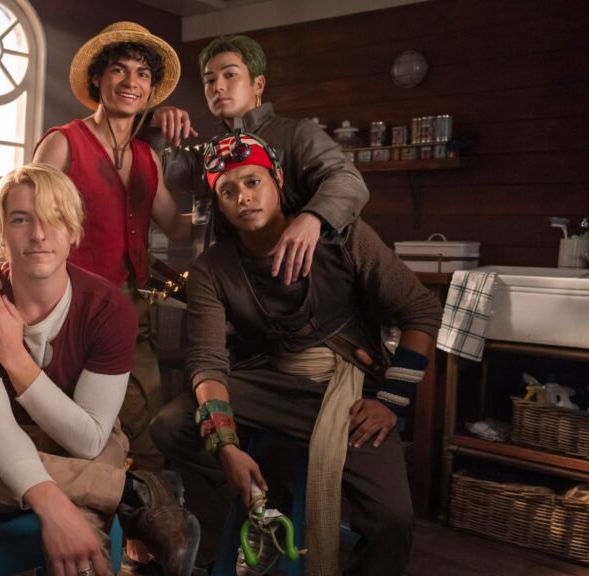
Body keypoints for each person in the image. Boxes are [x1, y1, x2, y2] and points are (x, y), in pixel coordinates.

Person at [149, 132, 442, 575]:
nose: (244, 198)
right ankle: (267, 507)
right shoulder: (213, 268)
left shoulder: (344, 237)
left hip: (349, 388)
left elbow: (421, 311)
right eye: (228, 191)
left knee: (393, 518)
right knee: (171, 425)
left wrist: (391, 402)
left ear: (278, 180)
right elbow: (208, 362)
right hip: (270, 383)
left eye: (253, 182)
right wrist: (225, 445)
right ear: (219, 205)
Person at [0, 163, 199, 576]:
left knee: (93, 481)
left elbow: (87, 439)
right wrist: (51, 502)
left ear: (74, 231)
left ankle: (108, 504)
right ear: (2, 232)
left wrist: (13, 355)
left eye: (54, 217)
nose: (39, 234)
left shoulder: (110, 310)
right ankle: (134, 492)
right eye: (21, 219)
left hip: (82, 444)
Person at [28, 21, 192, 472]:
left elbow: (177, 228)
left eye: (142, 74)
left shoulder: (149, 157)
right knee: (69, 427)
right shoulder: (63, 143)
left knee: (147, 423)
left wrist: (226, 193)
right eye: (119, 70)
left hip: (132, 308)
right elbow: (24, 220)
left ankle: (146, 509)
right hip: (68, 308)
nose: (130, 82)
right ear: (98, 78)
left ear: (151, 89)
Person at [148, 34, 369, 285]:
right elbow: (150, 166)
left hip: (291, 288)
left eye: (230, 75)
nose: (218, 87)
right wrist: (154, 124)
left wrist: (312, 218)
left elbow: (348, 180)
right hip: (219, 288)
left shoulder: (297, 134)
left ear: (259, 84)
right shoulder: (208, 155)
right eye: (209, 80)